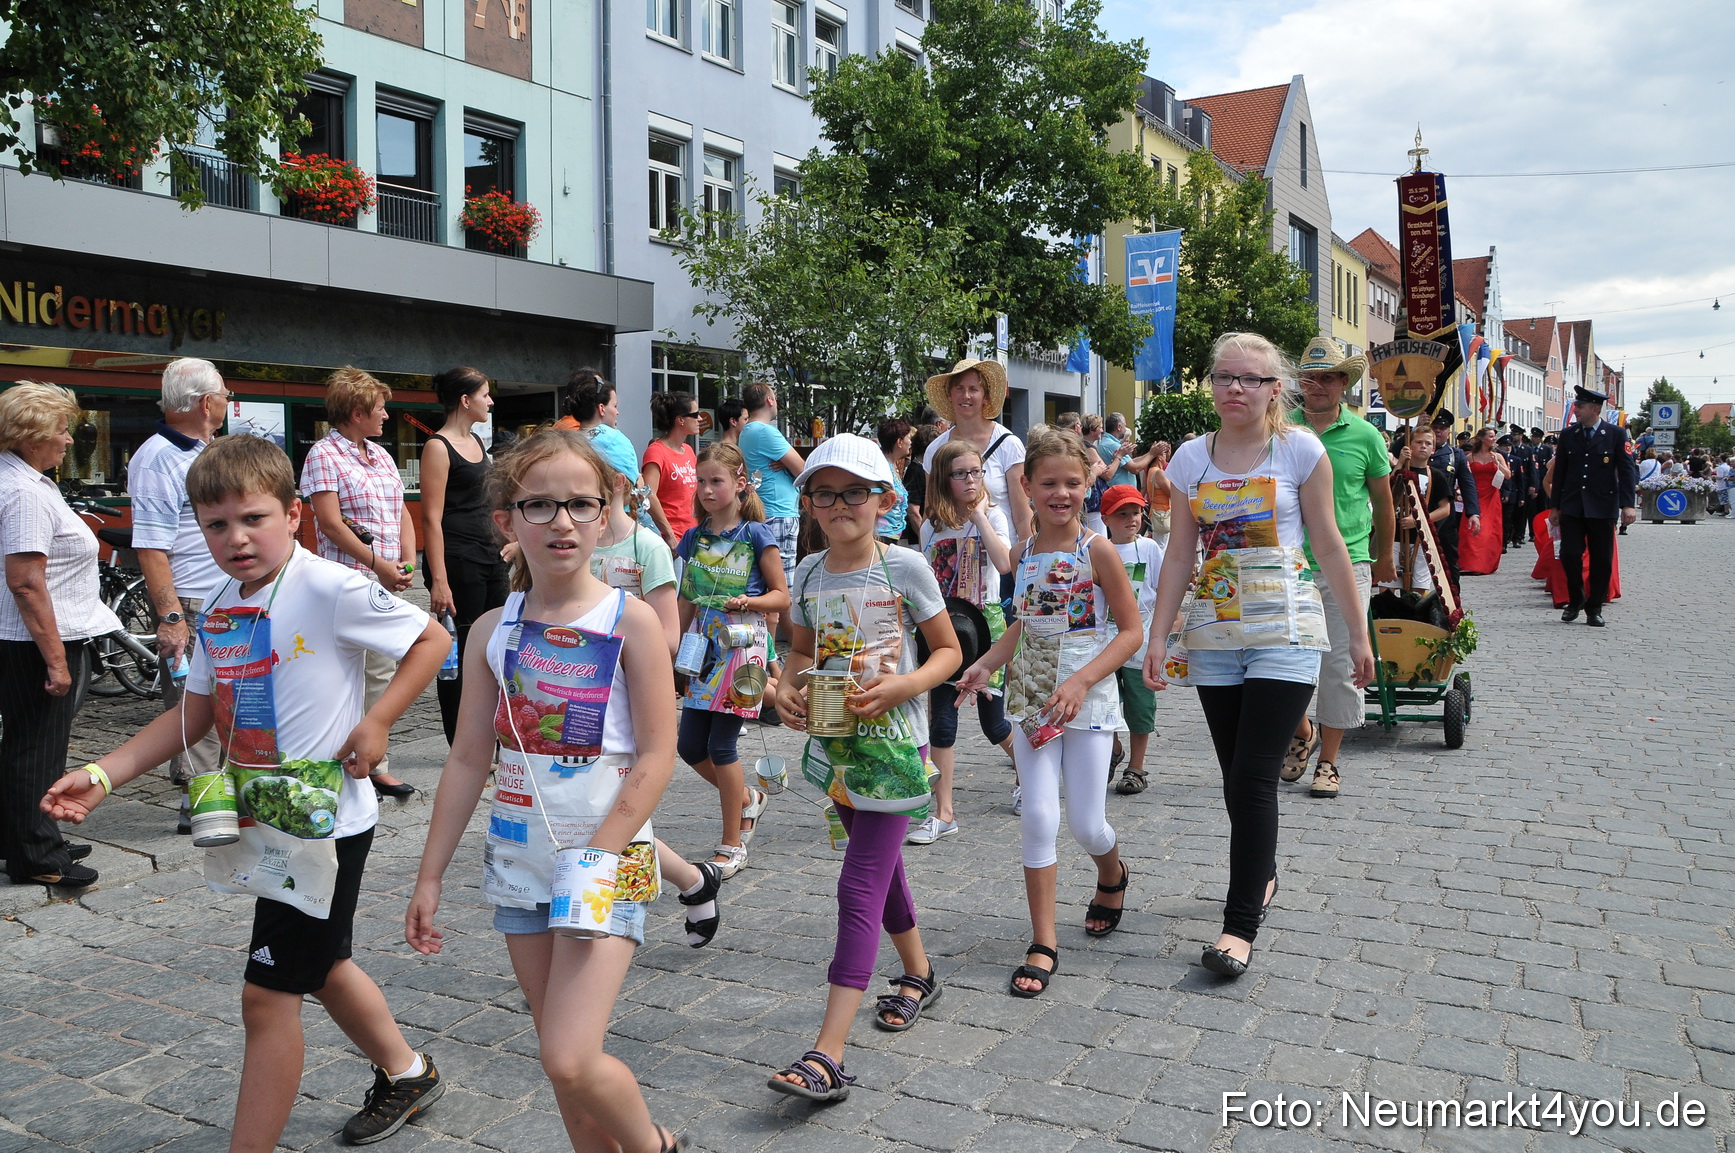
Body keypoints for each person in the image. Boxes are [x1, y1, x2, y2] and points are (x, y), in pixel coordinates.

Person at [44, 434, 450, 1148]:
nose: (235, 538)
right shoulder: (226, 603)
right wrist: (103, 774)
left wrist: (380, 720)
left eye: (253, 517)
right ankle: (407, 1070)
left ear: (294, 514)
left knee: (267, 996)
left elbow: (431, 640)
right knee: (320, 965)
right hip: (268, 820)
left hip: (323, 827)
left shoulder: (329, 585)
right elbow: (193, 714)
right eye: (216, 524)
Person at [403, 429, 691, 1153]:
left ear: (605, 513)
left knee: (569, 1053)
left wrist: (597, 858)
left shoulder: (631, 620)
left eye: (578, 503)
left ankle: (654, 1145)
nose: (560, 520)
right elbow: (469, 757)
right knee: (560, 1064)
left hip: (607, 861)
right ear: (506, 520)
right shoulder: (490, 631)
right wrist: (429, 872)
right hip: (521, 864)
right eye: (539, 505)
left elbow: (658, 755)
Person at [1141, 333, 1374, 979]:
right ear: (1210, 385)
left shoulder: (1299, 449)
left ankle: (1238, 924)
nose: (1234, 388)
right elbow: (1180, 554)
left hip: (1286, 630)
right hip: (1215, 631)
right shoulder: (1190, 458)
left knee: (1251, 776)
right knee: (1233, 776)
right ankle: (1261, 875)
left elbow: (1328, 543)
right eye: (1224, 377)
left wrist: (1357, 632)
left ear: (1276, 389)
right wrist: (1157, 635)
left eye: (1250, 378)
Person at [769, 434, 959, 1101]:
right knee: (884, 873)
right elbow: (798, 649)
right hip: (838, 749)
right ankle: (919, 972)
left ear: (883, 499)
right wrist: (785, 688)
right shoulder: (810, 573)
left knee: (857, 888)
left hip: (895, 754)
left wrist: (905, 687)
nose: (840, 503)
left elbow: (946, 651)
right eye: (825, 492)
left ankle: (827, 1052)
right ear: (810, 503)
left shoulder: (904, 566)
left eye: (855, 491)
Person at [957, 428, 1142, 997]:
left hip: (1085, 699)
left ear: (1088, 485)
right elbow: (1023, 624)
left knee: (1087, 823)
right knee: (1039, 816)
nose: (1060, 493)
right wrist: (986, 664)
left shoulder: (1098, 549)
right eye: (1048, 483)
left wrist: (1084, 679)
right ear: (1028, 488)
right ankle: (1043, 940)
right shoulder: (1026, 553)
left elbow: (1131, 631)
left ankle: (1111, 872)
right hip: (1031, 697)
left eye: (1071, 482)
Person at [589, 451, 724, 947]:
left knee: (618, 807)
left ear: (619, 481)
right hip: (576, 698)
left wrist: (614, 649)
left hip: (631, 697)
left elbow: (669, 636)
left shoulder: (646, 546)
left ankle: (606, 926)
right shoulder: (572, 544)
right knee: (605, 811)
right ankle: (693, 880)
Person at [2, 383, 121, 888]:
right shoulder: (25, 491)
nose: (69, 440)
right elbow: (27, 583)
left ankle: (26, 836)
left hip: (26, 637)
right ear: (30, 437)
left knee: (23, 745)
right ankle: (39, 858)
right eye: (60, 429)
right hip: (34, 642)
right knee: (36, 747)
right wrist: (56, 661)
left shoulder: (26, 479)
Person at [1280, 337, 1393, 801]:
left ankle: (1328, 761)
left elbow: (1385, 504)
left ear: (1344, 383)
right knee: (1282, 661)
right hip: (1288, 562)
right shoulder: (1281, 430)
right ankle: (1302, 729)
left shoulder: (1366, 435)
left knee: (1341, 664)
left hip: (1347, 560)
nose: (1318, 385)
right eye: (1309, 377)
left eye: (1327, 377)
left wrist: (1384, 556)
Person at [300, 367, 419, 797]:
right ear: (356, 412)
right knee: (340, 673)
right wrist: (378, 564)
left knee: (380, 671)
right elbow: (330, 525)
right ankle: (337, 758)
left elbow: (402, 511)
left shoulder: (381, 455)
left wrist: (406, 558)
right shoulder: (323, 455)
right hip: (345, 582)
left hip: (382, 580)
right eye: (380, 408)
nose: (386, 415)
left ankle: (372, 760)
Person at [674, 441, 789, 878]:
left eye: (716, 480)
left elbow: (782, 596)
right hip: (702, 651)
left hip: (744, 649)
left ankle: (732, 842)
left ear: (740, 484)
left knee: (721, 746)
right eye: (700, 481)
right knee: (689, 746)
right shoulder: (692, 537)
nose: (706, 489)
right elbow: (684, 600)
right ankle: (748, 799)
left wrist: (751, 602)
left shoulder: (757, 534)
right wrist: (674, 649)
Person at [128, 358, 228, 831]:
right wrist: (170, 618)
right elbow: (150, 546)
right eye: (226, 395)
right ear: (207, 403)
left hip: (225, 596)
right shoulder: (157, 457)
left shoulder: (204, 450)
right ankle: (202, 801)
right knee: (194, 699)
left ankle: (225, 787)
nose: (229, 403)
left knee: (230, 696)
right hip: (189, 599)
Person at [913, 440, 1015, 843]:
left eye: (976, 472)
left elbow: (1005, 563)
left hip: (985, 628)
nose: (971, 480)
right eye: (961, 473)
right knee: (943, 721)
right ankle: (945, 812)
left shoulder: (995, 515)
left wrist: (980, 518)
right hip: (943, 630)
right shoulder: (931, 527)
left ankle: (1027, 776)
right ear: (944, 479)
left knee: (995, 723)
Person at [420, 366, 511, 746]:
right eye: (485, 394)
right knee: (461, 651)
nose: (490, 401)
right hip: (458, 560)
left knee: (497, 645)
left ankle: (491, 734)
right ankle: (462, 742)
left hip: (492, 557)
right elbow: (430, 517)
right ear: (465, 399)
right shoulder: (437, 447)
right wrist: (439, 580)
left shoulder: (477, 441)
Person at [921, 359, 1032, 552]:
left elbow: (1022, 516)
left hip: (1001, 560)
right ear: (949, 395)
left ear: (985, 397)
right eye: (959, 388)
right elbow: (931, 511)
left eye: (973, 389)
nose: (966, 395)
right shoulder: (935, 449)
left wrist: (1027, 563)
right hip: (951, 561)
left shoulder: (1008, 444)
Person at [1548, 386, 1637, 627]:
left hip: (1602, 506)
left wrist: (1628, 505)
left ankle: (1594, 607)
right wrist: (1555, 506)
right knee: (1569, 554)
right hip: (1573, 506)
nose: (1575, 410)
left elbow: (1627, 472)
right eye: (1576, 405)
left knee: (1601, 559)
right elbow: (1562, 472)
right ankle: (1576, 599)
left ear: (1595, 409)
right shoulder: (1569, 434)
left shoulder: (1616, 434)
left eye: (1580, 406)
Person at [1099, 484, 1163, 796]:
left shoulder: (1150, 549)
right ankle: (1113, 748)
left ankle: (1136, 767)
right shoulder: (1099, 548)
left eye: (1136, 512)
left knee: (1139, 705)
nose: (1131, 519)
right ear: (1106, 518)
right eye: (1122, 514)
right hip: (1105, 643)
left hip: (1140, 641)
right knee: (1103, 699)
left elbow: (1162, 589)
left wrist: (1162, 635)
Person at [737, 382, 805, 595]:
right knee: (783, 589)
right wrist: (787, 462)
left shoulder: (748, 430)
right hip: (779, 513)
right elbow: (803, 470)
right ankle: (792, 629)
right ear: (770, 400)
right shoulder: (765, 431)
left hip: (767, 511)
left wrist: (784, 462)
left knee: (766, 586)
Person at [1384, 423, 1453, 592]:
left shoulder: (1435, 475)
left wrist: (1418, 520)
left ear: (1433, 450)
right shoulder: (1398, 469)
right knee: (1388, 584)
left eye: (1428, 443)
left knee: (1419, 586)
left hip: (1420, 538)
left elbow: (1445, 508)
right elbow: (1387, 492)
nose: (1423, 446)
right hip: (1394, 537)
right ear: (1409, 446)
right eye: (1419, 442)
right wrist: (1400, 463)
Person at [555, 370, 641, 495]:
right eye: (615, 406)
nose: (617, 412)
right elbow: (632, 483)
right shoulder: (614, 439)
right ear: (601, 408)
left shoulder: (567, 440)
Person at [1427, 409, 1479, 591]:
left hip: (1445, 514)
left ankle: (1453, 598)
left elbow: (1467, 484)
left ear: (1449, 432)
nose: (1438, 432)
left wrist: (1473, 513)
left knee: (1449, 558)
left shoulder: (1455, 455)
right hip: (1418, 509)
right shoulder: (1415, 448)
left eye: (1442, 428)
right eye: (1435, 427)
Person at [642, 391, 701, 549]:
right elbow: (648, 495)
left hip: (692, 536)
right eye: (695, 415)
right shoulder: (656, 451)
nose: (700, 419)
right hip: (670, 540)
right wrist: (669, 535)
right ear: (680, 420)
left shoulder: (688, 450)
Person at [1458, 426, 1509, 576]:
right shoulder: (1470, 457)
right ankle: (1468, 563)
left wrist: (1498, 464)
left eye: (1494, 437)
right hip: (1475, 496)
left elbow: (1508, 475)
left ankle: (1483, 564)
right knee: (1470, 530)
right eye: (1491, 436)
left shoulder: (1498, 456)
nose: (1494, 439)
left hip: (1491, 496)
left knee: (1488, 531)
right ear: (1482, 438)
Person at [875, 417, 914, 546]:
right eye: (909, 438)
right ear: (899, 442)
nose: (911, 442)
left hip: (891, 534)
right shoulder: (881, 467)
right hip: (882, 535)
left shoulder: (892, 465)